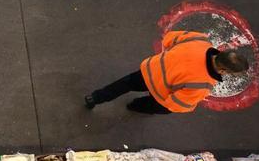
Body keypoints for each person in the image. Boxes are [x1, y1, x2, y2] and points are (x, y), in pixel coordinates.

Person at [85, 30, 249, 114]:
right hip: (159, 93)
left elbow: (170, 38)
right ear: (224, 70)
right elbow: (177, 104)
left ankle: (95, 98)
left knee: (122, 85)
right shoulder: (203, 84)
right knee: (152, 106)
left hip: (149, 69)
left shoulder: (200, 40)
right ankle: (134, 106)